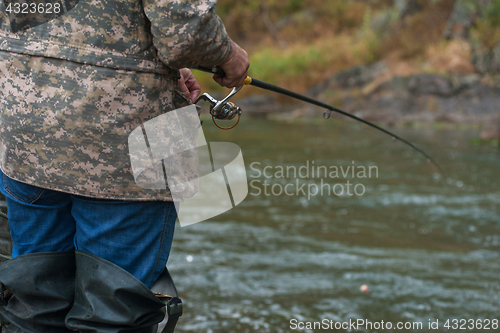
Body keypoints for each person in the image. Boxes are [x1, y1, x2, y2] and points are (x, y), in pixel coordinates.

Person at [0, 0, 249, 332]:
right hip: (128, 142)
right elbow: (183, 29)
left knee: (34, 306)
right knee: (111, 316)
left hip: (24, 129)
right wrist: (231, 58)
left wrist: (152, 62)